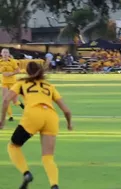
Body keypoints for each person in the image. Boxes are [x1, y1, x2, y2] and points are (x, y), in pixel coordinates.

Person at [0, 61, 72, 189]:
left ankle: (26, 173)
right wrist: (69, 124)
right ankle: (54, 185)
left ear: (27, 72)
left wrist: (3, 120)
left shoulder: (22, 83)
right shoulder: (49, 86)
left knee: (13, 146)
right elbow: (66, 110)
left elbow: (6, 99)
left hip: (33, 115)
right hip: (51, 117)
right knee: (48, 157)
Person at [0, 48, 25, 121]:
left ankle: (24, 107)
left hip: (13, 83)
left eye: (6, 52)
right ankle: (10, 116)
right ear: (1, 54)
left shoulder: (13, 61)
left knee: (15, 101)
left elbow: (18, 70)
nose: (5, 54)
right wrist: (2, 72)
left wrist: (11, 73)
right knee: (5, 99)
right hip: (4, 83)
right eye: (3, 52)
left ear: (8, 54)